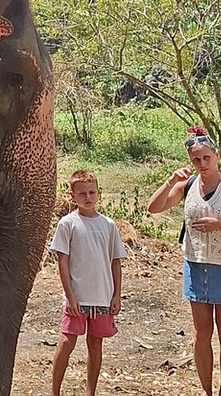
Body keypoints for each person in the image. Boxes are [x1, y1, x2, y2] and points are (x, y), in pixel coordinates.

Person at [146, 125, 221, 396]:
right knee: (201, 333)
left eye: (207, 158)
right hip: (195, 264)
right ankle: (206, 390)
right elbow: (153, 208)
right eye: (196, 159)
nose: (202, 163)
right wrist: (170, 181)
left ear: (217, 155)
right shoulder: (188, 185)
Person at [50, 170, 126, 396]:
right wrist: (70, 295)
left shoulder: (108, 224)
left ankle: (90, 391)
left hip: (102, 296)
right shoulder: (67, 224)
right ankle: (55, 391)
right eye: (82, 193)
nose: (88, 197)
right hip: (78, 296)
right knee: (67, 342)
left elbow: (115, 261)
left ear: (98, 193)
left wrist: (116, 295)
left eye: (92, 192)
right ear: (72, 196)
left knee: (95, 343)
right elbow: (62, 262)